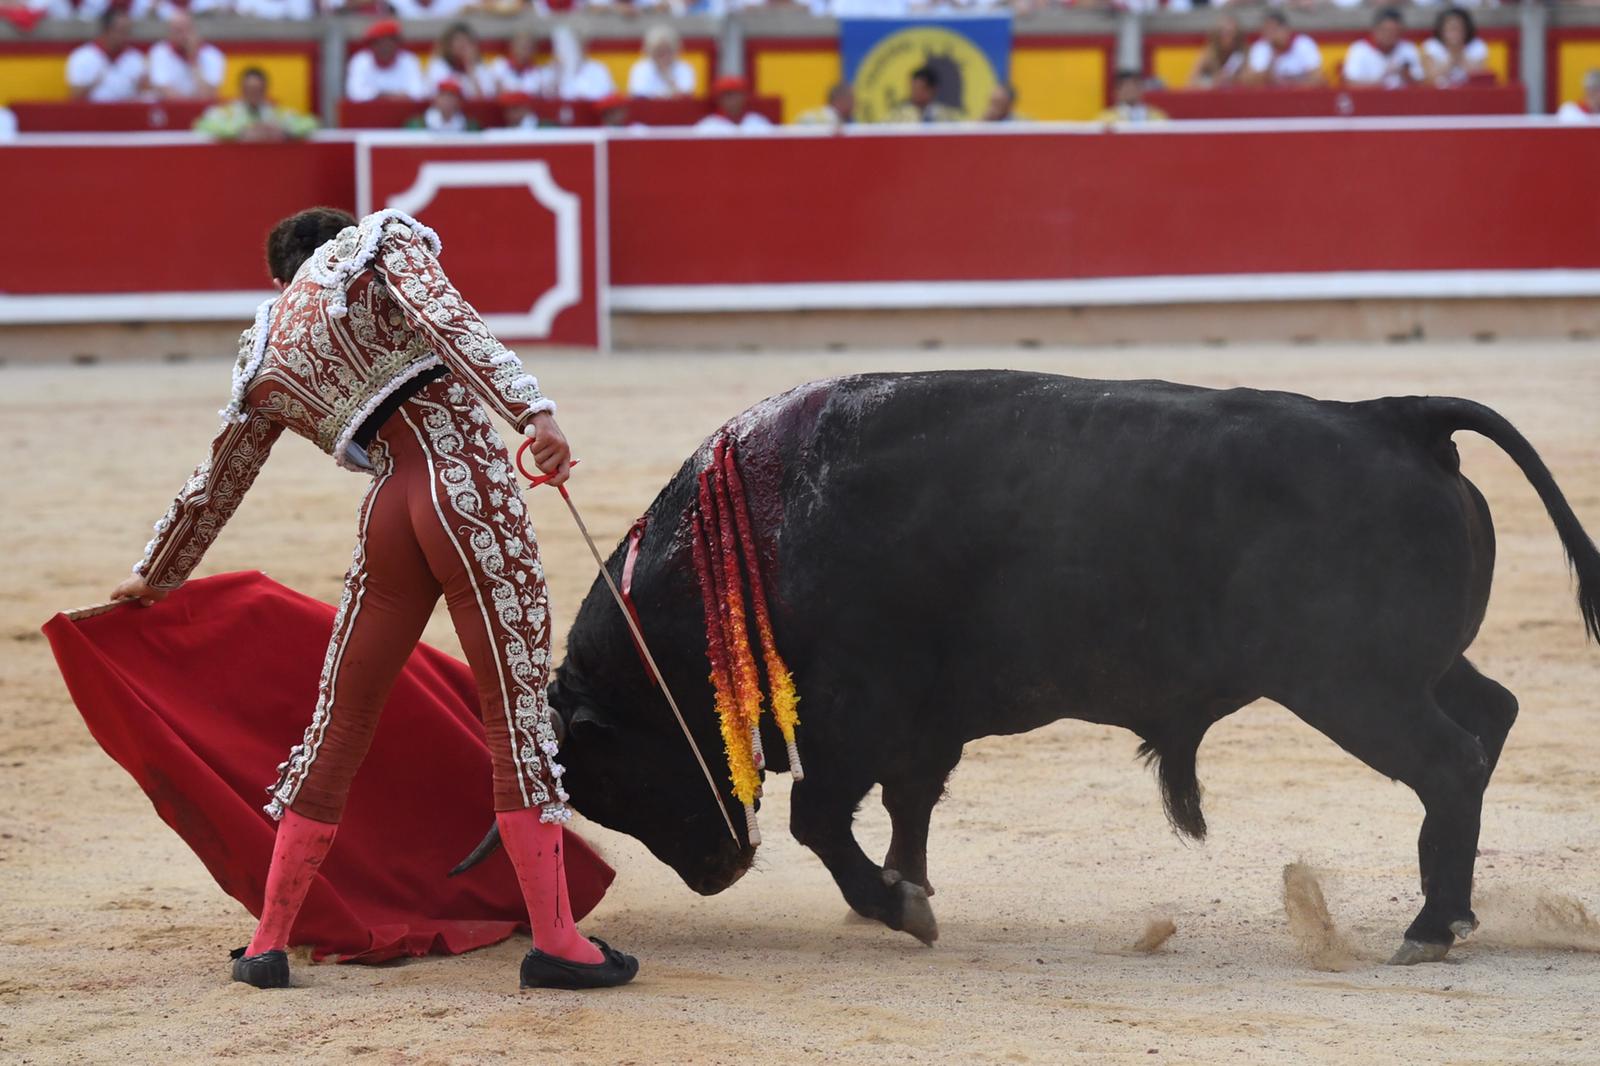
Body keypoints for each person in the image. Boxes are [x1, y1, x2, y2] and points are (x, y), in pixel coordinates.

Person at [109, 205, 638, 992]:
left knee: (339, 722)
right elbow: (450, 318)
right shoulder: (379, 243)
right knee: (515, 718)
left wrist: (157, 573)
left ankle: (269, 942)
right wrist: (533, 410)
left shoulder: (265, 349)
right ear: (340, 238)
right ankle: (559, 942)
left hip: (389, 511)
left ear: (279, 277)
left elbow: (219, 479)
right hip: (464, 490)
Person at [194, 67, 318, 141]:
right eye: (249, 89)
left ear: (265, 90)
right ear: (241, 90)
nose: (253, 94)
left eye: (257, 90)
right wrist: (240, 132)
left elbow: (311, 123)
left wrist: (285, 131)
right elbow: (202, 124)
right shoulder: (228, 113)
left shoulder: (276, 113)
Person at [65, 10, 146, 103]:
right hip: (92, 114)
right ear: (106, 30)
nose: (126, 36)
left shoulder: (136, 58)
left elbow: (144, 95)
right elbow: (74, 97)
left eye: (128, 31)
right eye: (121, 31)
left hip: (128, 113)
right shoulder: (82, 57)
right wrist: (93, 83)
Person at [146, 12, 226, 102]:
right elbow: (165, 92)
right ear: (169, 33)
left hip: (203, 111)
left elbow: (208, 95)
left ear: (194, 30)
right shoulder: (159, 52)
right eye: (177, 31)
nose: (183, 36)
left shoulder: (213, 55)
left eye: (186, 30)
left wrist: (193, 59)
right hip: (171, 109)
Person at [345, 20, 426, 103]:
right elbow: (354, 94)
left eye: (389, 42)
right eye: (379, 43)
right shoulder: (361, 60)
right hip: (369, 113)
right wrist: (383, 95)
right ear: (371, 45)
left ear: (397, 44)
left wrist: (380, 95)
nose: (384, 47)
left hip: (403, 113)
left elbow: (419, 93)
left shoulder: (409, 60)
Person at [1342, 8, 1423, 90]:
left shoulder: (1408, 48)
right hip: (1369, 100)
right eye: (1385, 30)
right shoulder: (1359, 49)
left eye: (1395, 31)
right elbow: (1350, 83)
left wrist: (1405, 74)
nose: (1389, 35)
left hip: (1404, 100)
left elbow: (1422, 84)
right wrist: (1382, 79)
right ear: (1375, 29)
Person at [1241, 13, 1325, 89]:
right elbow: (1248, 81)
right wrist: (1271, 63)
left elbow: (1318, 77)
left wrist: (1290, 86)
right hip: (1271, 98)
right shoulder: (1261, 47)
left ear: (1285, 29)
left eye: (1274, 29)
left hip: (1301, 96)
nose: (1270, 34)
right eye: (1266, 30)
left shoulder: (1303, 43)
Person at [1421, 7, 1490, 88]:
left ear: (1466, 29)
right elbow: (1429, 79)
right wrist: (1452, 57)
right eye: (1450, 29)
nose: (1454, 33)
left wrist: (1460, 54)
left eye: (1458, 29)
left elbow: (1480, 77)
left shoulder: (1477, 46)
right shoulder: (1431, 46)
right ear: (1441, 30)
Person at [543, 26, 615, 101]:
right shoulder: (550, 71)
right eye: (560, 46)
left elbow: (605, 100)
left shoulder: (597, 70)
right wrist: (555, 80)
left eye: (569, 45)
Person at [427, 22, 495, 99]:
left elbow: (484, 99)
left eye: (466, 41)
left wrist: (470, 68)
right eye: (457, 41)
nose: (462, 45)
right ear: (448, 45)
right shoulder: (439, 65)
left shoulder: (480, 68)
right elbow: (439, 95)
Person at [627, 24, 695, 99]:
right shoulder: (640, 68)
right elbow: (639, 97)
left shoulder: (685, 68)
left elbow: (685, 97)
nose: (664, 56)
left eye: (668, 50)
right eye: (659, 51)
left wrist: (667, 76)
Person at [1188, 13, 1247, 89]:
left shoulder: (1243, 52)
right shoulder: (1209, 54)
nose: (1229, 38)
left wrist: (1235, 79)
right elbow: (1192, 81)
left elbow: (1253, 80)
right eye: (1225, 33)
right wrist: (1212, 81)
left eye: (1232, 33)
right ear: (1217, 35)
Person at [886, 65, 961, 123]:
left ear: (932, 89)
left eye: (919, 89)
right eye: (913, 88)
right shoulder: (898, 116)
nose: (914, 93)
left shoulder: (947, 116)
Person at [695, 74, 772, 131]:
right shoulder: (708, 125)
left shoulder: (757, 121)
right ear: (719, 99)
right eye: (728, 95)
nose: (733, 99)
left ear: (744, 97)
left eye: (737, 94)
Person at [1096, 70, 1168, 124]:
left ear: (1142, 89)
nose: (1131, 91)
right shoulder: (1105, 119)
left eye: (1135, 86)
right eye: (1126, 87)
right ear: (1116, 92)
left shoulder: (1157, 116)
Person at [406, 79, 478, 132]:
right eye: (443, 96)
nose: (447, 101)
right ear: (435, 99)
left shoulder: (470, 126)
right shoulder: (418, 124)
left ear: (459, 102)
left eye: (451, 96)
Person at [490, 31, 544, 97]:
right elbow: (493, 92)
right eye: (522, 46)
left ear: (534, 50)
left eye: (529, 47)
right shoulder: (499, 65)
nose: (525, 50)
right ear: (512, 46)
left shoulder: (538, 73)